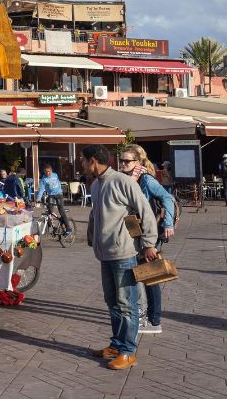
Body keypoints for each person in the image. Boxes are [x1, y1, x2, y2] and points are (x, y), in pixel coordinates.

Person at [84, 144, 159, 370]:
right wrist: (91, 237)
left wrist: (148, 244)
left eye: (83, 160)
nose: (82, 164)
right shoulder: (96, 184)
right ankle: (116, 345)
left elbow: (145, 211)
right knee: (112, 302)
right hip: (104, 253)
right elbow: (94, 215)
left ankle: (128, 351)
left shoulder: (122, 181)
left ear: (93, 161)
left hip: (124, 252)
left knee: (127, 304)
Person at [120, 145, 175, 335]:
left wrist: (168, 224)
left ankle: (154, 320)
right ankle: (145, 315)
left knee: (151, 276)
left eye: (126, 161)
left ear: (137, 161)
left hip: (148, 234)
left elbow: (167, 198)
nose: (122, 164)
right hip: (135, 233)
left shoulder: (146, 179)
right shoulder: (129, 179)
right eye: (121, 160)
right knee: (142, 275)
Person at [36, 164, 72, 235]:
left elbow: (58, 184)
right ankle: (52, 226)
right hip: (51, 195)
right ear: (44, 172)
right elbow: (41, 189)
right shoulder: (44, 179)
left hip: (59, 195)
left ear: (51, 171)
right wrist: (38, 198)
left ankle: (68, 228)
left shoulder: (55, 175)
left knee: (61, 210)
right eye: (46, 172)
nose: (48, 173)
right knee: (49, 211)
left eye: (49, 171)